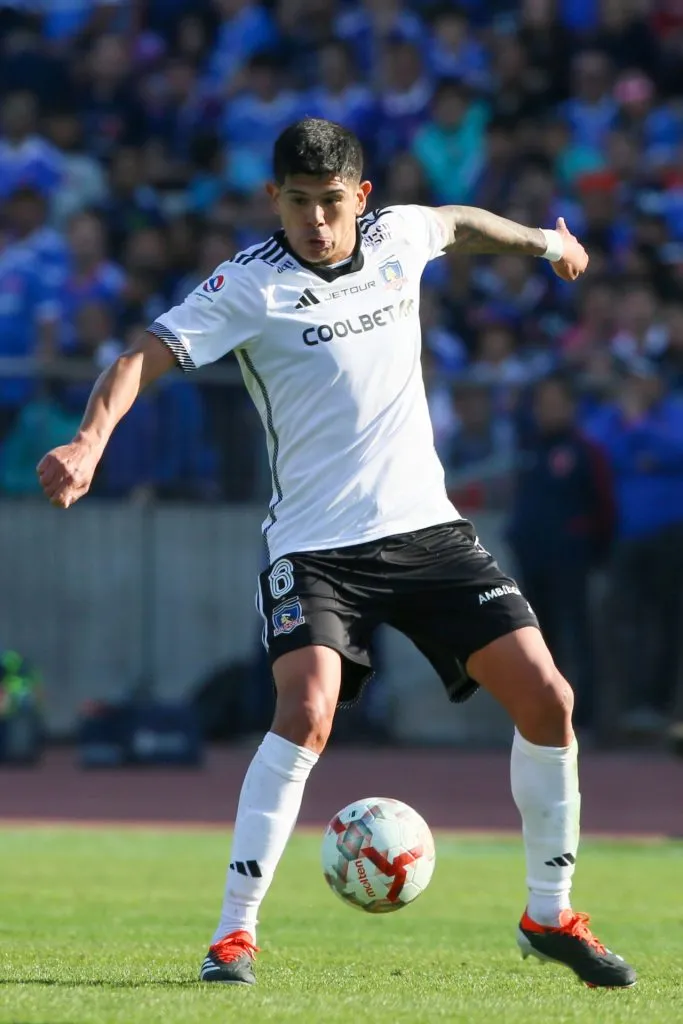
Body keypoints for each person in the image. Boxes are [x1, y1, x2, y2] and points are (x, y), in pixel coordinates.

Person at [36, 118, 636, 990]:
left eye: (329, 203)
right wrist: (90, 442)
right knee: (307, 709)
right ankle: (232, 937)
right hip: (317, 549)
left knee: (548, 698)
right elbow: (141, 353)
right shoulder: (247, 286)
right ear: (272, 200)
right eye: (297, 203)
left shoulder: (396, 235)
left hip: (427, 533)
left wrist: (547, 241)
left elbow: (459, 222)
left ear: (359, 197)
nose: (316, 220)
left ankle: (550, 916)